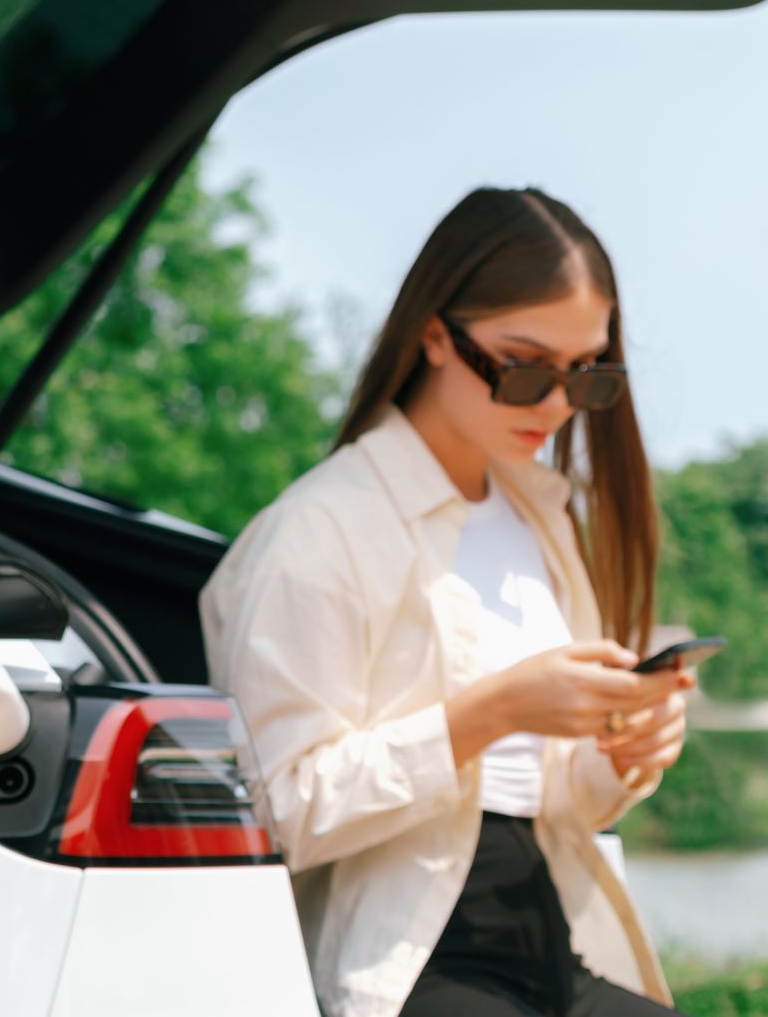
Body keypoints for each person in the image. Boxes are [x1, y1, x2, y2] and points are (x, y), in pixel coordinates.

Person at [201, 187, 696, 1017]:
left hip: (546, 939)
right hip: (411, 962)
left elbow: (550, 797)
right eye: (524, 365)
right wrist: (494, 712)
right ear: (434, 334)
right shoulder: (317, 532)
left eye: (587, 375)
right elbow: (275, 813)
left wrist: (620, 753)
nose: (554, 404)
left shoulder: (540, 515)